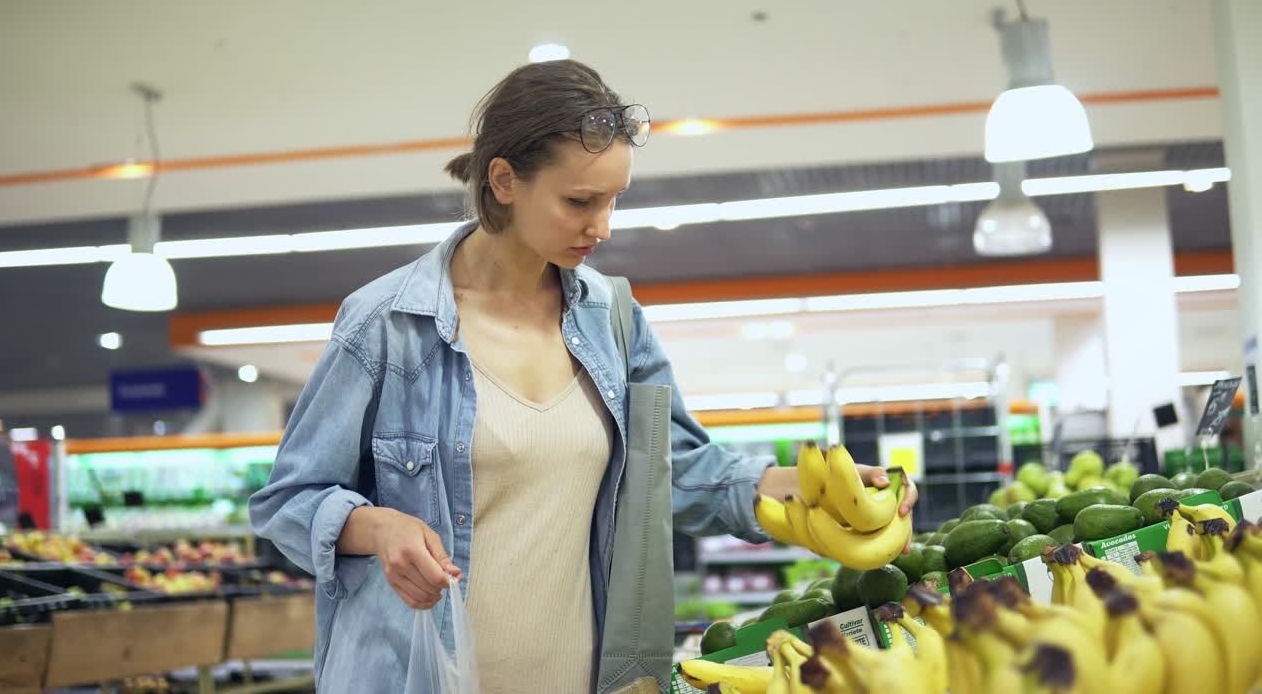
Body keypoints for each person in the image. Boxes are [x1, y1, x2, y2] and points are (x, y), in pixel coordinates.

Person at [249, 59, 917, 694]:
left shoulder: (613, 321)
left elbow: (677, 471)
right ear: (505, 181)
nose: (601, 226)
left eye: (614, 200)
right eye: (578, 201)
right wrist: (377, 528)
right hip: (415, 677)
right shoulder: (388, 325)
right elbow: (287, 501)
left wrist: (801, 487)